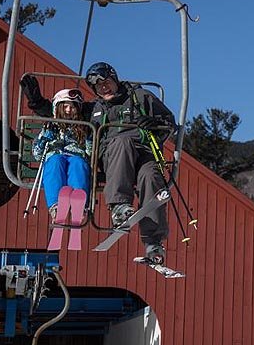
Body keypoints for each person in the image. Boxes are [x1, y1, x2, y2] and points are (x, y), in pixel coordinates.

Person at [20, 62, 176, 264]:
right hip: (113, 153)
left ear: (115, 79)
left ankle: (153, 242)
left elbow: (168, 121)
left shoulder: (141, 97)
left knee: (151, 176)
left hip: (144, 150)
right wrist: (37, 102)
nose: (103, 87)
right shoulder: (94, 108)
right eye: (98, 86)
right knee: (122, 141)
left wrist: (155, 123)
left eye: (106, 82)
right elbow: (65, 114)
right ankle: (119, 205)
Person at [32, 88, 92, 221]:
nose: (69, 110)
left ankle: (79, 203)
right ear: (57, 107)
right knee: (55, 161)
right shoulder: (49, 126)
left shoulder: (82, 127)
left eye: (72, 107)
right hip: (55, 154)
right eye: (65, 106)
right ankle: (56, 205)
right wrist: (44, 140)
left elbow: (90, 154)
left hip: (76, 155)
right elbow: (37, 154)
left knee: (78, 164)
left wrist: (88, 140)